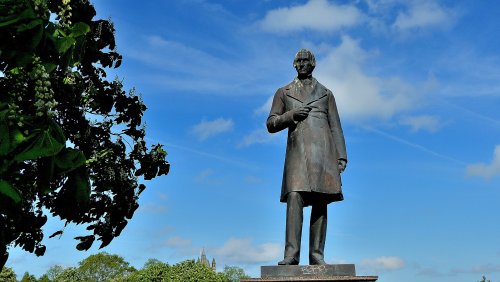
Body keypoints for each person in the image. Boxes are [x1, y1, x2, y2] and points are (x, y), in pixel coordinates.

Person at [267, 49, 347, 265]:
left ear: (313, 63)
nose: (301, 64)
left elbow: (336, 127)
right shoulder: (283, 92)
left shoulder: (326, 93)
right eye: (298, 61)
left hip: (324, 155)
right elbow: (271, 123)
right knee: (295, 197)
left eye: (305, 61)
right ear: (294, 65)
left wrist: (341, 157)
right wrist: (291, 115)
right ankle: (291, 255)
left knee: (321, 201)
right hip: (297, 155)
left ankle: (317, 256)